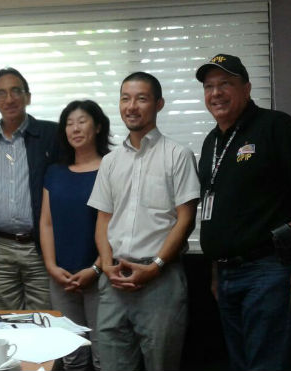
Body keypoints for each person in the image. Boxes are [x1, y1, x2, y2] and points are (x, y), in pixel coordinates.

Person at [195, 53, 291, 371]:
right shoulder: (212, 142)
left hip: (269, 273)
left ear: (246, 88)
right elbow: (218, 210)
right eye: (209, 86)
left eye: (225, 84)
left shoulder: (277, 127)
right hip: (227, 277)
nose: (216, 93)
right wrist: (218, 270)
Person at [87, 72, 200, 371]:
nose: (131, 106)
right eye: (125, 98)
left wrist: (155, 267)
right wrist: (107, 265)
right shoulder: (110, 161)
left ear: (159, 104)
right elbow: (103, 219)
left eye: (141, 98)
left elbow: (186, 219)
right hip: (114, 280)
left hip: (160, 281)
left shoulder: (178, 155)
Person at [0, 67, 57, 310]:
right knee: (4, 323)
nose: (9, 99)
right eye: (1, 94)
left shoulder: (50, 135)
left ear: (28, 97)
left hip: (40, 247)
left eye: (15, 91)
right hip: (0, 249)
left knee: (45, 322)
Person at [39, 100, 111, 371]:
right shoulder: (54, 172)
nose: (75, 128)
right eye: (69, 123)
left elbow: (116, 225)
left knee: (103, 353)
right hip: (61, 277)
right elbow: (46, 222)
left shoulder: (111, 166)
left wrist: (96, 267)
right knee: (72, 356)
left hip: (100, 275)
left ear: (98, 126)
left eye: (82, 121)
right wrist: (51, 267)